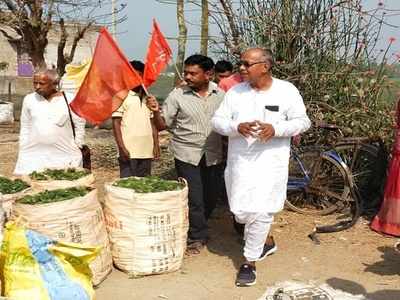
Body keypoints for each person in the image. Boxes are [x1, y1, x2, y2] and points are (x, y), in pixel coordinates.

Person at [211, 48, 311, 286]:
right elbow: (217, 121)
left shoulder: (286, 90)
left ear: (265, 66)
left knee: (261, 211)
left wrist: (275, 129)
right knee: (241, 212)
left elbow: (302, 121)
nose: (242, 68)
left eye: (247, 64)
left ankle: (249, 262)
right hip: (240, 164)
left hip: (271, 164)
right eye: (241, 64)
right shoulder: (235, 92)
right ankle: (266, 242)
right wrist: (237, 127)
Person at [147, 54, 225, 254]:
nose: (188, 77)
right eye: (186, 72)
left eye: (193, 73)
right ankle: (196, 236)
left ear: (208, 74)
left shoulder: (221, 94)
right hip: (186, 154)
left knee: (211, 196)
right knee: (194, 198)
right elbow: (163, 125)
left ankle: (200, 226)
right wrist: (156, 111)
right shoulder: (177, 95)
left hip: (213, 153)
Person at [14, 69, 86, 175]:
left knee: (63, 183)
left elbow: (79, 124)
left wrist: (78, 144)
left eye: (42, 83)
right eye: (35, 83)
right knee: (34, 184)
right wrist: (23, 144)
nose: (37, 86)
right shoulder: (29, 100)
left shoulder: (70, 99)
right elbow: (25, 125)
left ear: (54, 84)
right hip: (33, 154)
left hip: (64, 154)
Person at [112, 60, 160, 178]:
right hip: (129, 150)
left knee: (144, 184)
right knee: (127, 185)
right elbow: (116, 124)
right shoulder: (120, 96)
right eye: (131, 75)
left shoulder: (148, 98)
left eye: (138, 75)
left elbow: (152, 123)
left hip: (146, 149)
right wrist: (121, 147)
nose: (135, 79)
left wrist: (156, 144)